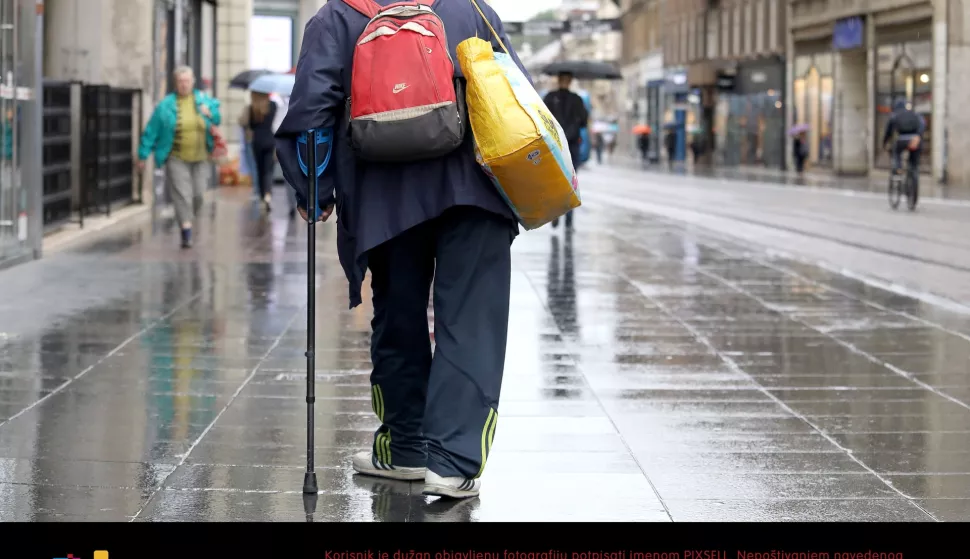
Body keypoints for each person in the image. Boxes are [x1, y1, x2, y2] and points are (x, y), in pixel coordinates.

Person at [275, 0, 528, 500]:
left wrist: (313, 189)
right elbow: (513, 90)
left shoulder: (338, 16)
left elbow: (311, 109)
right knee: (471, 321)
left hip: (384, 195)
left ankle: (405, 448)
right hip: (474, 188)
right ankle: (453, 462)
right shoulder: (470, 8)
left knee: (398, 314)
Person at [137, 66, 222, 248]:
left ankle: (186, 217)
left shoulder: (203, 100)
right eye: (180, 81)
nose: (184, 84)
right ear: (176, 83)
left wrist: (210, 113)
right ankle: (186, 230)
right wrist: (143, 155)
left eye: (187, 81)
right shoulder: (166, 106)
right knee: (182, 194)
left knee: (198, 195)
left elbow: (217, 118)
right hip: (176, 157)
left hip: (201, 157)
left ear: (193, 82)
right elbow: (151, 131)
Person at [543, 72, 588, 229]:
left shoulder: (550, 97)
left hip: (555, 144)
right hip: (571, 145)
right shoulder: (577, 100)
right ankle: (568, 217)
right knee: (570, 181)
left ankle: (557, 213)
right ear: (569, 81)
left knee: (555, 179)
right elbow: (584, 121)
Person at [239, 91, 278, 213]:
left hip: (257, 141)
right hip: (270, 140)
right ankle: (268, 195)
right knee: (268, 170)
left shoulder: (252, 107)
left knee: (260, 170)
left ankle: (262, 196)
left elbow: (248, 125)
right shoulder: (273, 105)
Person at [882, 99, 925, 187]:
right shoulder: (915, 114)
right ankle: (914, 170)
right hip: (915, 139)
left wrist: (885, 142)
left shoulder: (895, 115)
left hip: (902, 139)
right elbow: (922, 124)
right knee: (914, 160)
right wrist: (918, 135)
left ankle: (898, 168)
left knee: (896, 152)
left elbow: (888, 132)